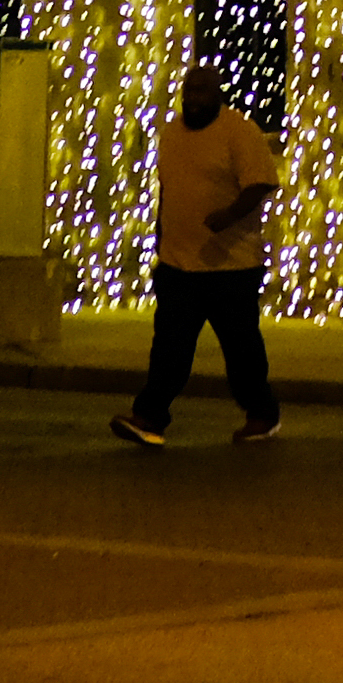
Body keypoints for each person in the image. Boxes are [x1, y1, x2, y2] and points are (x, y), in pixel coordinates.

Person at [118, 63, 281, 446]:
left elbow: (260, 184)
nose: (193, 99)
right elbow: (168, 188)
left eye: (202, 91)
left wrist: (229, 216)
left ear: (217, 95)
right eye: (189, 91)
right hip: (178, 264)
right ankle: (150, 417)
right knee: (169, 347)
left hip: (230, 266)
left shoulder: (238, 131)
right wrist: (160, 236)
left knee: (241, 351)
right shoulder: (172, 133)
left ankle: (262, 413)